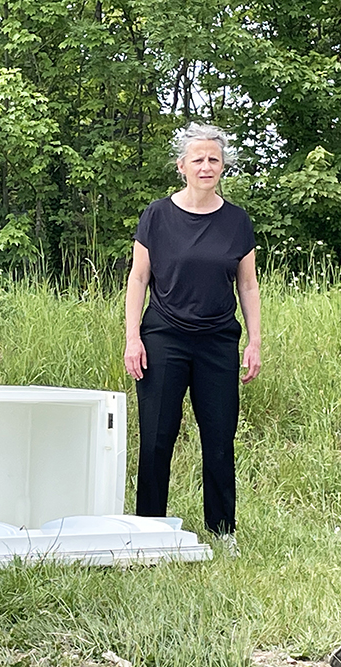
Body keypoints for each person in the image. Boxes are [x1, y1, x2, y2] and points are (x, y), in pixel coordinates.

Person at [123, 122, 261, 553]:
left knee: (219, 439)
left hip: (218, 341)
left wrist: (254, 341)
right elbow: (138, 278)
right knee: (157, 437)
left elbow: (248, 285)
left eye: (213, 159)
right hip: (163, 337)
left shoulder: (237, 221)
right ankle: (149, 530)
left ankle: (223, 531)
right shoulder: (157, 216)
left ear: (223, 167)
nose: (206, 166)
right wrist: (132, 337)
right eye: (197, 159)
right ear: (181, 166)